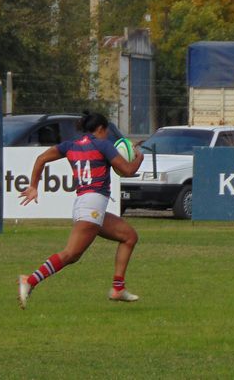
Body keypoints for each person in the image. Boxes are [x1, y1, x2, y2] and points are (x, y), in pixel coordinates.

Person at [17, 111, 144, 309]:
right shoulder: (103, 145)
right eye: (107, 131)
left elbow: (41, 158)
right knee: (71, 254)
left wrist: (34, 185)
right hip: (92, 206)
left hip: (86, 205)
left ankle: (118, 288)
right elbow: (128, 170)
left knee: (129, 236)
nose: (108, 135)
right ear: (101, 129)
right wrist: (139, 157)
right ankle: (30, 280)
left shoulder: (71, 146)